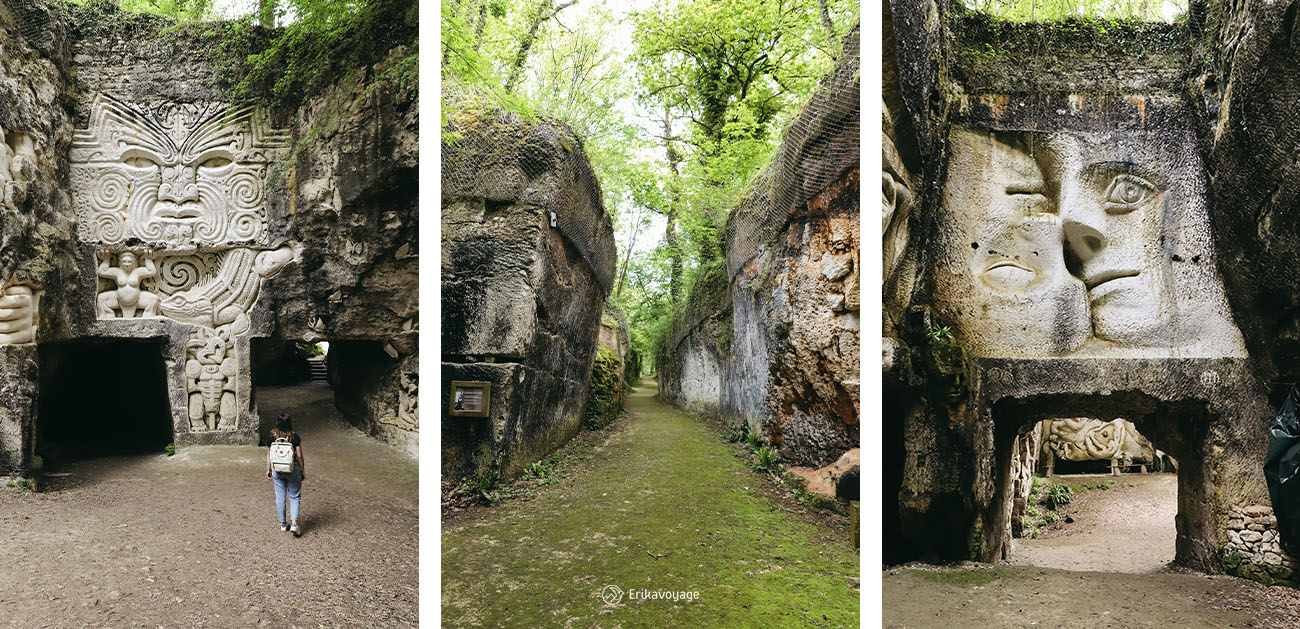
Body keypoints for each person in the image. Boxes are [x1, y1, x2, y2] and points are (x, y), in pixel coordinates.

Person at [266, 413, 306, 537]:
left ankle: (283, 524)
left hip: (277, 470)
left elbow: (269, 455)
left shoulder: (272, 437)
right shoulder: (294, 437)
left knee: (280, 497)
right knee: (294, 496)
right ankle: (294, 524)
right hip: (292, 469)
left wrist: (268, 470)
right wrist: (302, 470)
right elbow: (299, 456)